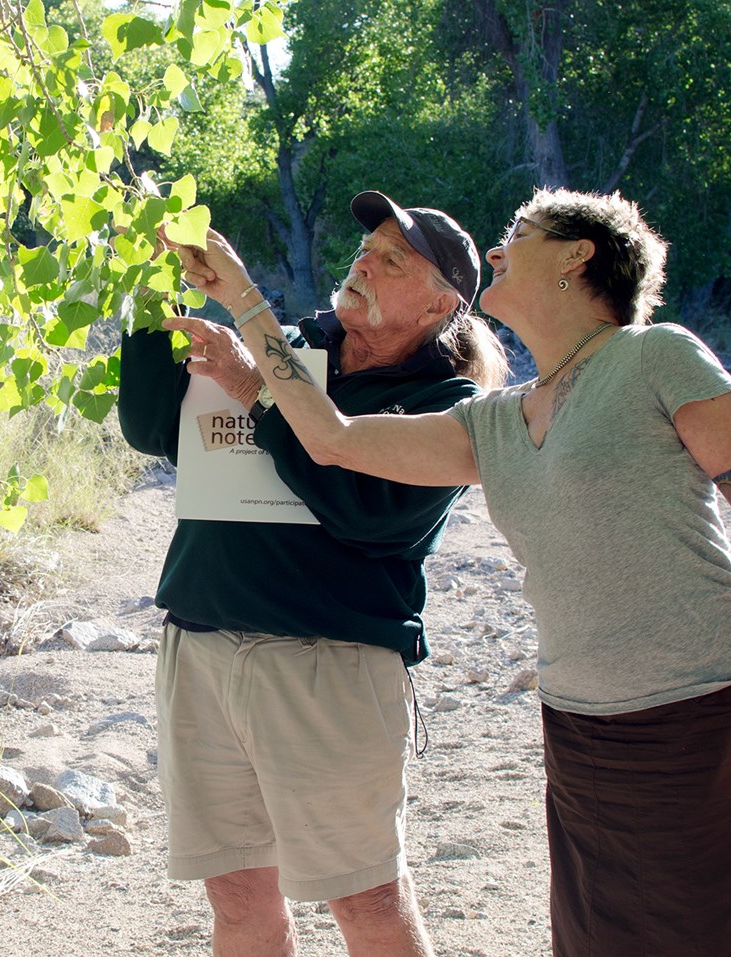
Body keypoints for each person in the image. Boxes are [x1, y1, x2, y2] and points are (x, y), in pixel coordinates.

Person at [166, 187, 731, 956]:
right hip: (579, 725)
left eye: (519, 231)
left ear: (579, 255)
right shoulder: (494, 418)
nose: (493, 250)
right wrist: (243, 300)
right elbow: (332, 440)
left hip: (705, 710)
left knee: (730, 930)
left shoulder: (660, 356)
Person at [120, 191, 507, 956]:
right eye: (368, 247)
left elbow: (366, 510)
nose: (365, 260)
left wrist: (257, 387)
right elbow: (154, 428)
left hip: (329, 665)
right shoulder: (288, 342)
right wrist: (150, 292)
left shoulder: (447, 402)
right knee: (235, 902)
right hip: (200, 646)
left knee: (365, 905)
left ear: (440, 305)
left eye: (394, 259)